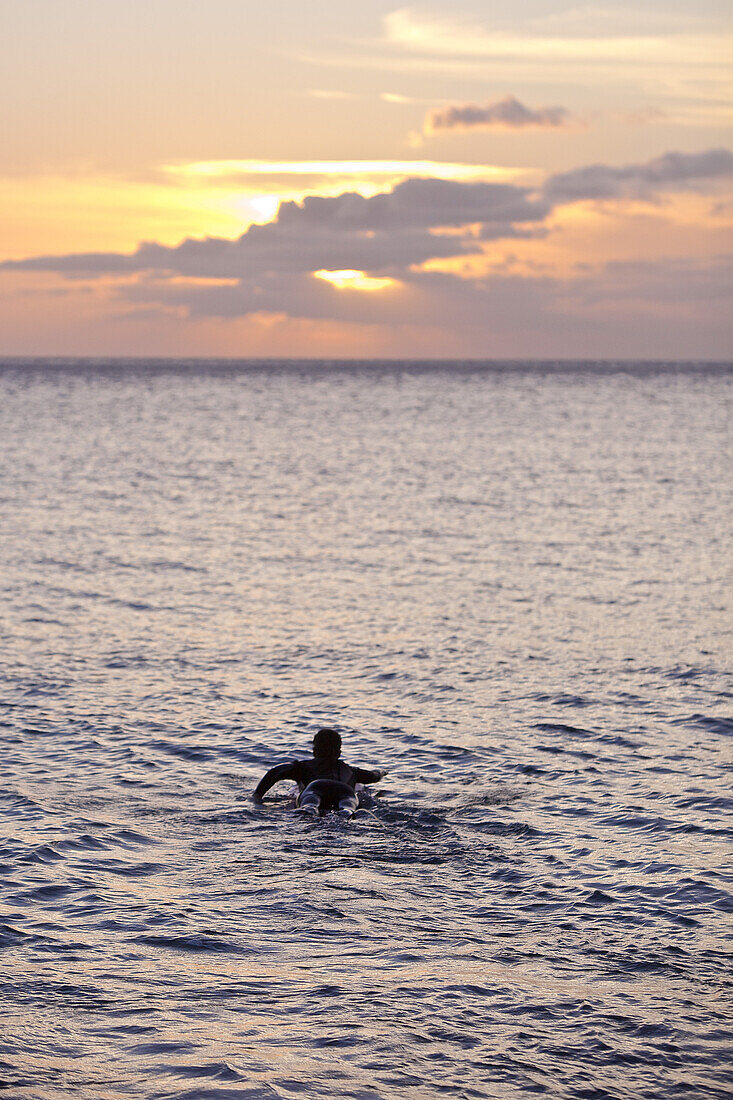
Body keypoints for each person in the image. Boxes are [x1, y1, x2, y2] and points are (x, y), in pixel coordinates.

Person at [252, 728, 386, 817]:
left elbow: (275, 772)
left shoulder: (301, 767)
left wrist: (257, 796)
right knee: (348, 805)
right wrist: (382, 772)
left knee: (310, 803)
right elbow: (374, 776)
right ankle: (347, 811)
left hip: (315, 787)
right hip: (345, 791)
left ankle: (310, 807)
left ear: (314, 751)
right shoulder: (352, 771)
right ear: (339, 752)